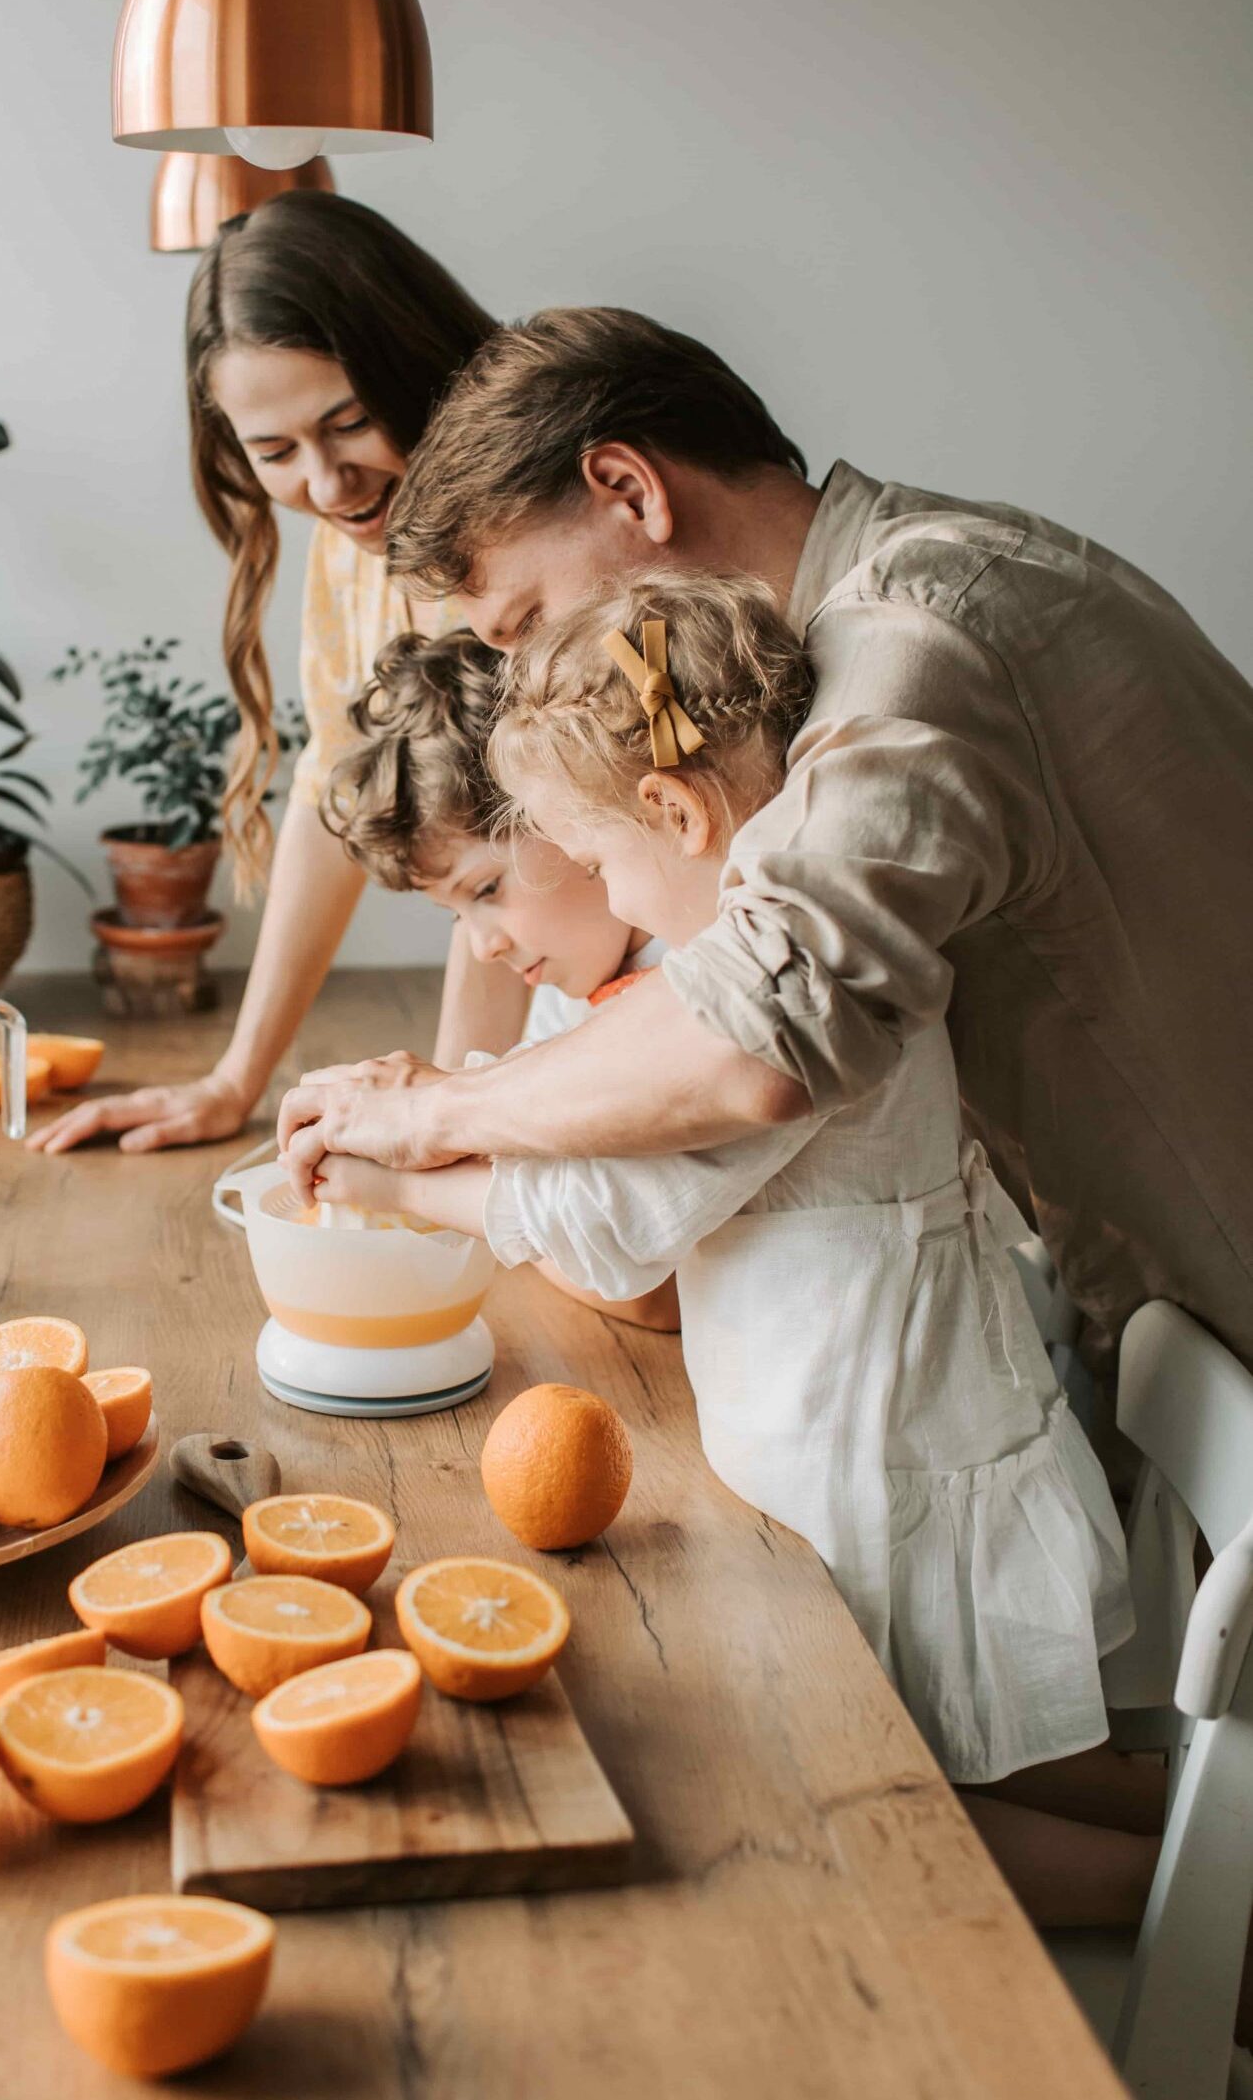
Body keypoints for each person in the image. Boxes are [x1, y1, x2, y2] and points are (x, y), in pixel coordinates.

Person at [317, 576, 1158, 1918]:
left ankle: (1206, 1943)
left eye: (569, 864)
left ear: (663, 815)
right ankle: (1201, 1871)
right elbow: (581, 1149)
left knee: (851, 1793)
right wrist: (430, 1124)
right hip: (843, 1426)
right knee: (967, 1758)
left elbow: (607, 1229)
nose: (572, 901)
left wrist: (392, 1178)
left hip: (873, 1446)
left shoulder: (741, 994)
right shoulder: (681, 950)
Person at [278, 305, 1253, 1366]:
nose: (526, 682)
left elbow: (758, 1029)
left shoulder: (919, 634)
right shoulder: (860, 626)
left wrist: (437, 1111)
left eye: (524, 623)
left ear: (629, 489)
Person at [27, 193, 529, 1157]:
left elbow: (518, 841)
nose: (329, 484)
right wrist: (234, 1079)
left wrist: (452, 1121)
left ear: (412, 359)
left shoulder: (523, 520)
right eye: (274, 452)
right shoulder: (357, 538)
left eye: (348, 422)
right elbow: (333, 786)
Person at [319, 625, 676, 1329]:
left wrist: (405, 1186)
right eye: (455, 915)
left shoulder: (695, 964)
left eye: (483, 890)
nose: (482, 948)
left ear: (569, 808)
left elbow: (648, 1291)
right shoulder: (567, 988)